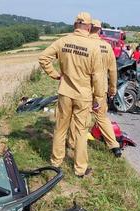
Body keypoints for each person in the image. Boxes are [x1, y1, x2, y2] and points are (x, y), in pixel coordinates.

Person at [39, 12, 104, 178]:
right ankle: (80, 169)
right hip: (84, 95)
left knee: (60, 128)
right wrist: (98, 98)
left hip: (65, 92)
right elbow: (98, 77)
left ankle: (55, 163)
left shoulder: (63, 41)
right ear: (89, 27)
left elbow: (43, 58)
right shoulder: (94, 47)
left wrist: (55, 74)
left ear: (75, 25)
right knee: (81, 132)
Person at [68, 19, 122, 158]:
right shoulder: (106, 46)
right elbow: (113, 71)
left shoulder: (83, 44)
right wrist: (112, 88)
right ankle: (114, 146)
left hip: (83, 87)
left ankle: (73, 143)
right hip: (101, 88)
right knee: (102, 117)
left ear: (88, 28)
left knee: (78, 117)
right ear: (100, 29)